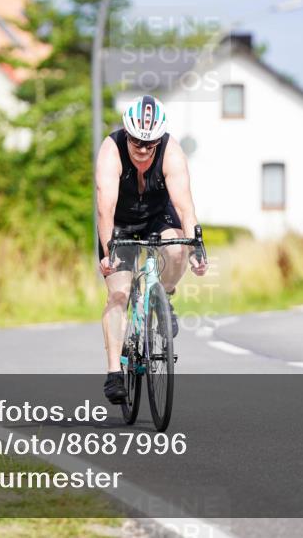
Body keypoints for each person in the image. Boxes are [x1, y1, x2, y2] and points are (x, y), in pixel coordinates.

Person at [96, 95, 208, 403]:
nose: (143, 150)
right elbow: (105, 207)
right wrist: (108, 251)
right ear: (127, 134)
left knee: (177, 250)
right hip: (120, 222)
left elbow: (185, 207)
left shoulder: (171, 152)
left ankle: (165, 297)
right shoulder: (111, 150)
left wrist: (197, 246)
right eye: (137, 143)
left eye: (151, 144)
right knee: (118, 294)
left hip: (159, 215)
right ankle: (113, 374)